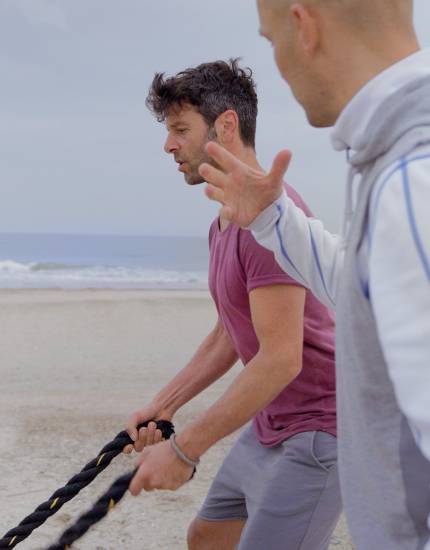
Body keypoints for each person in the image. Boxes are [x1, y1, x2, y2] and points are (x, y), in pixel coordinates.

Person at [199, 2, 430, 549]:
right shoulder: (390, 159)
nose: (276, 62)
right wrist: (271, 218)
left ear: (303, 27)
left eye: (271, 38)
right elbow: (357, 286)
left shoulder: (409, 181)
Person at [125, 59, 342, 550]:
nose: (168, 145)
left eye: (180, 129)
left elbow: (281, 358)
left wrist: (185, 449)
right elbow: (230, 330)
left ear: (226, 125)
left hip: (321, 428)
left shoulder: (270, 222)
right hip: (271, 422)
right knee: (209, 537)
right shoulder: (225, 220)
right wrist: (163, 406)